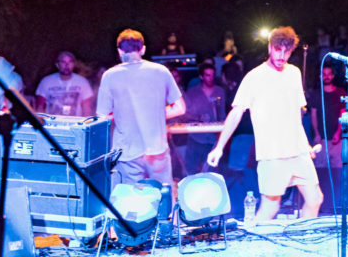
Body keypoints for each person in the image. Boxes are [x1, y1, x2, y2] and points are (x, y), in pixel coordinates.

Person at [207, 27, 322, 221]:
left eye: (287, 51)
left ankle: (305, 236)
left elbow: (296, 115)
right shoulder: (255, 77)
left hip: (298, 151)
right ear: (270, 48)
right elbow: (236, 113)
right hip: (272, 154)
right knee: (271, 207)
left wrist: (306, 145)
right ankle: (255, 239)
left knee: (315, 199)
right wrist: (219, 147)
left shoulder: (294, 73)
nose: (282, 56)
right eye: (278, 50)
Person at [97, 29, 186, 186]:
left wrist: (123, 114)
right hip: (157, 149)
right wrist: (154, 113)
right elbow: (180, 108)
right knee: (161, 195)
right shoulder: (161, 71)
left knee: (130, 198)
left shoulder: (110, 76)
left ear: (119, 51)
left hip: (127, 152)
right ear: (143, 49)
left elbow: (102, 117)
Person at [182, 62, 226, 174]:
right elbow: (185, 114)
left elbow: (223, 114)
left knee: (213, 171)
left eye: (212, 75)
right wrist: (198, 117)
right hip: (196, 137)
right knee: (192, 170)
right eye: (207, 75)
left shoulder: (219, 91)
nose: (211, 78)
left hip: (214, 138)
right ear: (201, 76)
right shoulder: (192, 92)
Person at [35, 51, 95, 116]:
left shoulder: (82, 82)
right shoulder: (46, 81)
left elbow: (87, 108)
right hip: (52, 121)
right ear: (57, 65)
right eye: (63, 62)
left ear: (73, 64)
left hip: (75, 121)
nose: (67, 65)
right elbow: (40, 107)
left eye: (70, 62)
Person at [310, 66, 346, 168]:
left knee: (337, 167)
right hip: (321, 139)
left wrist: (338, 133)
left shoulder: (341, 93)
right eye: (324, 74)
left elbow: (343, 115)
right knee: (321, 167)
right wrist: (317, 134)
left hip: (337, 139)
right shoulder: (316, 94)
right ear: (320, 76)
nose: (327, 77)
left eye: (329, 74)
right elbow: (313, 115)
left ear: (333, 76)